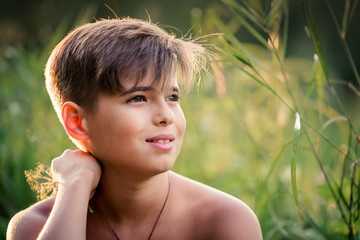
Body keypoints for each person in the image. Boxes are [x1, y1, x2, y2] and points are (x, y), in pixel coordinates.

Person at [7, 17, 262, 240]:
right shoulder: (36, 227)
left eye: (172, 97)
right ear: (76, 121)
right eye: (138, 98)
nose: (166, 116)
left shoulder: (226, 222)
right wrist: (74, 185)